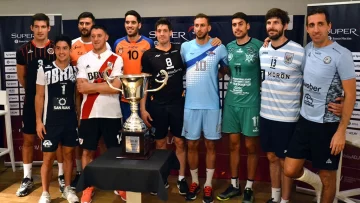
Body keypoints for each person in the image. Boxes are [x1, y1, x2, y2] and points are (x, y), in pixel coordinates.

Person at [284, 8, 356, 203]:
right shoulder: (306, 50)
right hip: (304, 121)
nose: (316, 29)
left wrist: (341, 130)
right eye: (312, 25)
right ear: (307, 28)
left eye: (320, 24)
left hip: (328, 125)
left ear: (329, 26)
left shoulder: (342, 54)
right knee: (290, 169)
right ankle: (316, 183)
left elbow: (350, 94)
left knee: (328, 177)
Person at [181, 13, 228, 203]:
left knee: (210, 145)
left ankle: (208, 184)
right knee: (191, 145)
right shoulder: (185, 47)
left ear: (209, 28)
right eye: (196, 25)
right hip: (190, 106)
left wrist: (215, 76)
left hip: (212, 106)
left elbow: (226, 70)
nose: (199, 28)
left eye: (202, 25)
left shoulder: (219, 47)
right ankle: (194, 182)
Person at [216, 12, 262, 203]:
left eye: (240, 24)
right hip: (232, 103)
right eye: (234, 25)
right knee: (233, 145)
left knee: (251, 146)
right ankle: (235, 185)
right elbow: (226, 70)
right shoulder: (228, 47)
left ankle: (249, 188)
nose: (237, 28)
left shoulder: (260, 46)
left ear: (248, 26)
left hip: (251, 104)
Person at [140, 17, 188, 196]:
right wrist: (143, 108)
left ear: (171, 33)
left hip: (178, 104)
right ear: (155, 34)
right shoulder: (149, 55)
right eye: (159, 31)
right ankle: (163, 178)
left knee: (180, 142)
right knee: (160, 143)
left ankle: (182, 178)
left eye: (165, 31)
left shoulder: (180, 51)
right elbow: (144, 83)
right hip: (157, 105)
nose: (162, 34)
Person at [15, 13, 61, 197]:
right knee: (28, 140)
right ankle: (27, 177)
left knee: (55, 141)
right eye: (37, 26)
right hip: (30, 102)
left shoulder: (55, 48)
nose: (40, 30)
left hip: (54, 103)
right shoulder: (23, 51)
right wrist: (35, 95)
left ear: (49, 28)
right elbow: (22, 78)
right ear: (31, 28)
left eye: (44, 26)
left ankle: (61, 177)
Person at [76, 25, 123, 203]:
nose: (95, 39)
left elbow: (117, 87)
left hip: (111, 112)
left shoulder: (116, 59)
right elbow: (81, 87)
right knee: (87, 151)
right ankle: (88, 187)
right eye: (93, 36)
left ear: (106, 37)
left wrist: (92, 87)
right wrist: (105, 86)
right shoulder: (83, 59)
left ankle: (119, 184)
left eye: (99, 36)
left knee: (114, 151)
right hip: (89, 113)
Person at [69, 11, 111, 189]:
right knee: (82, 141)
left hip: (100, 98)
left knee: (101, 141)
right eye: (81, 23)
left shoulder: (107, 46)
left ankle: (103, 172)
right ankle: (81, 173)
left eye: (87, 23)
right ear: (78, 25)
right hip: (76, 95)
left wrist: (90, 87)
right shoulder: (72, 45)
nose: (84, 26)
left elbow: (109, 79)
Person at [36, 35, 79, 203]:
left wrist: (79, 117)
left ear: (70, 50)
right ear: (54, 50)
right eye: (58, 48)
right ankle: (45, 193)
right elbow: (39, 97)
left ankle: (67, 189)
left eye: (65, 48)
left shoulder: (75, 71)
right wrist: (39, 121)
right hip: (50, 122)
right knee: (48, 158)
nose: (61, 52)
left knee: (69, 156)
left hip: (69, 121)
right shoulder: (44, 70)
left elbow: (77, 97)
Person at [114, 10, 154, 123]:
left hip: (142, 98)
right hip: (124, 98)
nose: (130, 25)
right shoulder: (118, 44)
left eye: (133, 22)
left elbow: (150, 71)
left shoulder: (148, 43)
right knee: (127, 133)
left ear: (139, 25)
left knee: (143, 134)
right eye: (127, 22)